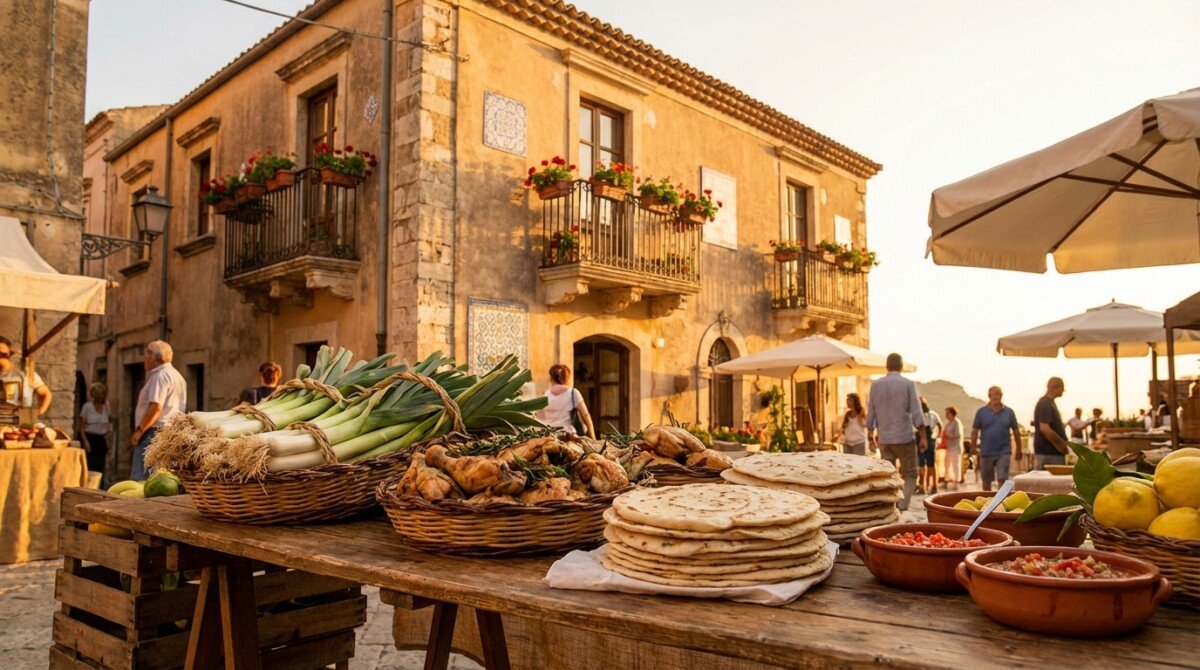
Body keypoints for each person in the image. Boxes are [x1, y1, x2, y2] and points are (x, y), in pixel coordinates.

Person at [866, 353, 926, 510]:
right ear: (901, 366)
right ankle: (903, 505)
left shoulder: (876, 385)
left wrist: (870, 434)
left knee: (888, 474)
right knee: (910, 473)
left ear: (887, 366)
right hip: (904, 437)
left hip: (884, 439)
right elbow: (916, 412)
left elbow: (871, 411)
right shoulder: (907, 384)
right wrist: (923, 437)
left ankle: (892, 504)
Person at [130, 341, 187, 480]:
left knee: (141, 478)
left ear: (154, 357)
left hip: (153, 432)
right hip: (169, 432)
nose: (145, 357)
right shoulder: (177, 376)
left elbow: (155, 407)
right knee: (158, 477)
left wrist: (139, 431)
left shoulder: (160, 376)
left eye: (147, 353)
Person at [970, 386, 1022, 491]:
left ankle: (1001, 500)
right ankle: (987, 500)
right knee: (986, 481)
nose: (995, 397)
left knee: (1002, 479)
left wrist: (1019, 449)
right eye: (992, 394)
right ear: (989, 396)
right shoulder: (981, 412)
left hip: (1004, 451)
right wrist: (973, 447)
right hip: (986, 451)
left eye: (997, 394)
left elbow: (1016, 431)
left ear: (1001, 396)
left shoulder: (1009, 412)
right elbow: (975, 431)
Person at [0, 335, 52, 416]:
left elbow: (45, 394)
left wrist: (38, 413)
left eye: (2, 353)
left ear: (8, 353)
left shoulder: (24, 373)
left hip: (20, 421)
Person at [539, 364, 595, 438]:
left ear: (551, 378)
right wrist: (592, 437)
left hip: (550, 436)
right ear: (567, 378)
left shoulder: (546, 394)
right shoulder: (573, 393)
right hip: (568, 436)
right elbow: (586, 415)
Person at [77, 382, 112, 486]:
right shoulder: (87, 407)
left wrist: (110, 443)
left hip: (101, 439)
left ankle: (99, 486)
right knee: (90, 465)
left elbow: (109, 425)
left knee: (100, 466)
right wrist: (85, 441)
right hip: (89, 438)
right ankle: (87, 486)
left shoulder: (106, 407)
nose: (99, 396)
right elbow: (81, 426)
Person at [1033, 377, 1070, 469]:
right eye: (1062, 388)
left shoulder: (1049, 403)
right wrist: (1061, 445)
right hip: (1049, 453)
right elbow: (1045, 428)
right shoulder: (1046, 403)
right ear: (1055, 387)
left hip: (1051, 453)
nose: (1063, 391)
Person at [918, 397, 941, 494]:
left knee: (928, 464)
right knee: (924, 465)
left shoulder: (929, 414)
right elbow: (939, 426)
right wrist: (935, 437)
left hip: (923, 439)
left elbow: (939, 426)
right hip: (927, 439)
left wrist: (935, 437)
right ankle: (925, 487)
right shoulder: (933, 414)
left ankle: (929, 486)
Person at [942, 406, 963, 486]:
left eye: (948, 413)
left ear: (952, 414)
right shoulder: (948, 424)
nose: (946, 415)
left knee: (955, 464)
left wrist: (948, 436)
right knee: (947, 463)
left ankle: (957, 481)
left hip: (955, 446)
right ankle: (947, 479)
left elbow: (958, 434)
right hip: (949, 446)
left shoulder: (956, 423)